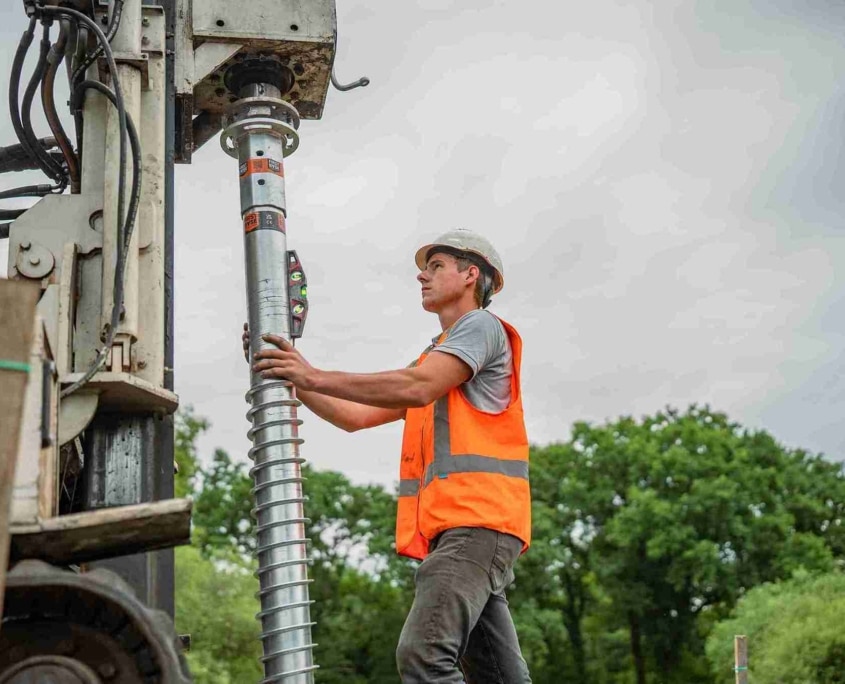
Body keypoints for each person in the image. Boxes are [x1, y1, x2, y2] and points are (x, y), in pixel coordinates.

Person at [246, 228, 532, 683]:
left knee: (424, 656)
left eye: (436, 266)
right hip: (471, 530)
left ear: (471, 274)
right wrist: (291, 373)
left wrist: (314, 375)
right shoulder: (435, 359)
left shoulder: (479, 328)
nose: (422, 275)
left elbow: (418, 388)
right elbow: (354, 416)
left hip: (475, 525)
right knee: (498, 677)